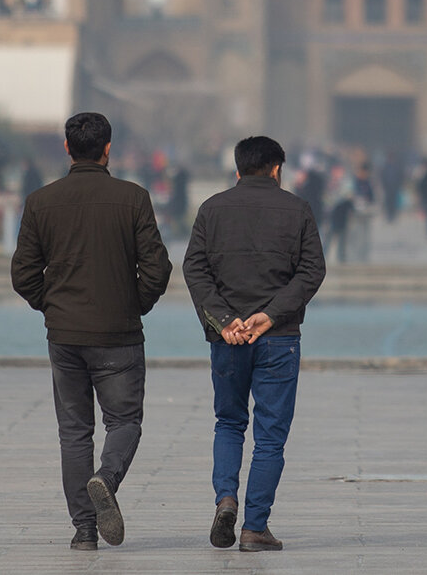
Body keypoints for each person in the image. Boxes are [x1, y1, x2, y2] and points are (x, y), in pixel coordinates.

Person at [11, 112, 173, 552]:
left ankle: (84, 530)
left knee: (74, 431)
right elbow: (157, 268)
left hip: (65, 336)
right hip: (118, 333)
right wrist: (134, 302)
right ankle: (107, 478)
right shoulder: (133, 198)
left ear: (67, 148)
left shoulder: (42, 202)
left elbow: (24, 274)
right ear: (107, 149)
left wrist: (53, 305)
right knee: (124, 421)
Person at [182, 136, 325, 553]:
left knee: (229, 422)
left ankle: (225, 497)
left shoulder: (212, 208)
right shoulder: (297, 210)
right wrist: (272, 313)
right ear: (277, 169)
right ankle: (254, 527)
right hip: (277, 337)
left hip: (228, 338)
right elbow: (312, 270)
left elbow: (195, 268)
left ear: (238, 168)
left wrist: (225, 320)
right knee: (269, 436)